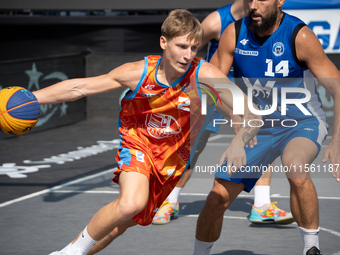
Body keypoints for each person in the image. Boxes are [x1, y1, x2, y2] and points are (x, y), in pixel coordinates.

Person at [32, 9, 260, 255]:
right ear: (163, 42)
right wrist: (30, 99)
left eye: (193, 49)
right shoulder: (137, 72)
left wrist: (240, 136)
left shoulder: (204, 74)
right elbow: (79, 88)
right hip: (137, 144)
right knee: (131, 203)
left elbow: (251, 112)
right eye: (181, 46)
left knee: (120, 224)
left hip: (171, 163)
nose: (187, 55)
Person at [194, 0, 340, 255]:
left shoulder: (300, 35)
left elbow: (337, 86)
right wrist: (233, 113)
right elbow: (211, 83)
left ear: (279, 1)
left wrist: (338, 139)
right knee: (217, 198)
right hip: (257, 125)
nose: (254, 5)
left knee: (295, 166)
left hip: (301, 122)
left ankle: (312, 249)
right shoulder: (234, 33)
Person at [152, 0, 294, 226]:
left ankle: (262, 204)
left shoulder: (266, 17)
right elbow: (183, 49)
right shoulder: (217, 21)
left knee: (265, 136)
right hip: (210, 92)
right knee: (193, 148)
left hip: (245, 90)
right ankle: (169, 201)